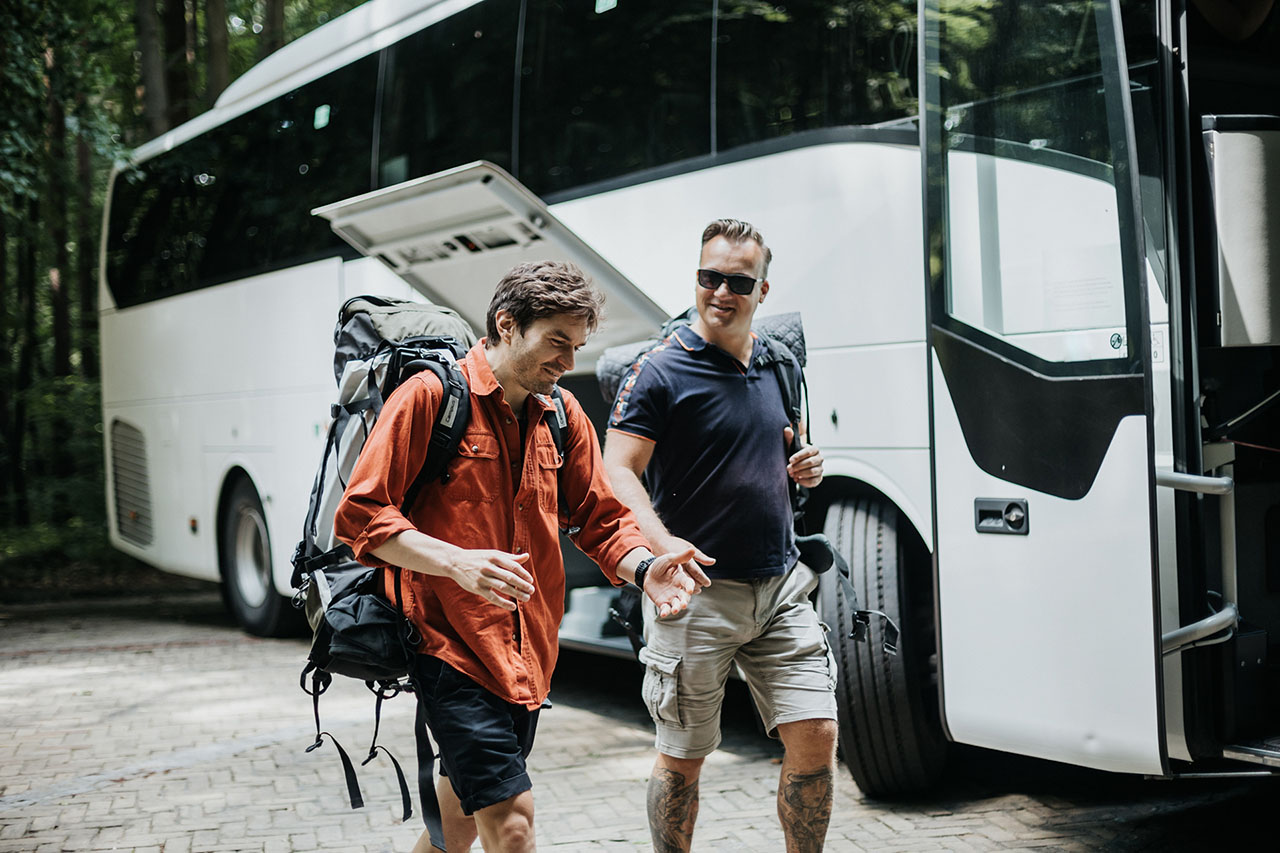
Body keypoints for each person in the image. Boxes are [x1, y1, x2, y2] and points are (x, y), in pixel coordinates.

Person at [334, 260, 711, 853]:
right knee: (512, 827)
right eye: (556, 342)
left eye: (577, 346)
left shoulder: (562, 416)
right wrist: (456, 562)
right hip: (448, 649)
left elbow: (600, 519)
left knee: (454, 828)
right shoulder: (430, 398)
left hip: (528, 656)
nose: (567, 361)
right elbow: (361, 518)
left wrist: (645, 569)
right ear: (507, 325)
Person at [602, 219, 835, 853]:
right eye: (710, 277)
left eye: (738, 281)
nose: (721, 292)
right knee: (684, 757)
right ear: (697, 278)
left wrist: (807, 465)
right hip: (697, 593)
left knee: (816, 733)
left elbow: (792, 447)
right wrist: (659, 550)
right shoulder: (660, 372)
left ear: (762, 289)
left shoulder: (778, 363)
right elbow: (615, 468)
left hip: (781, 586)